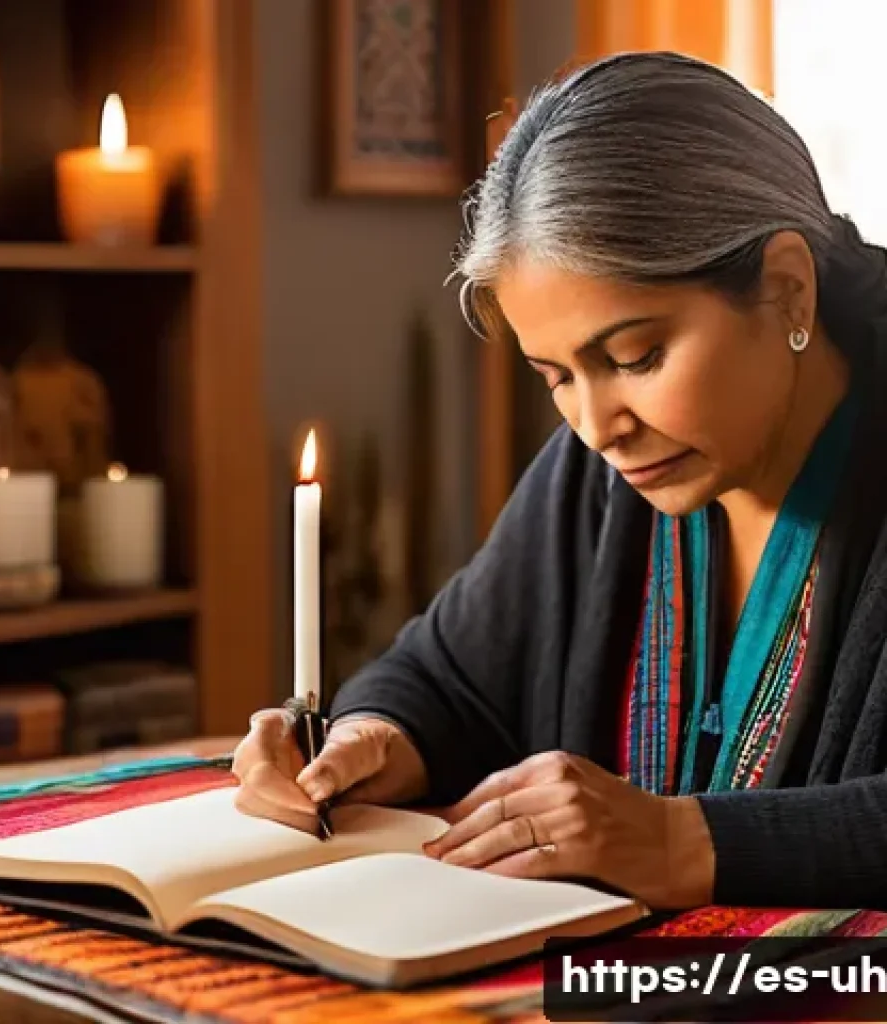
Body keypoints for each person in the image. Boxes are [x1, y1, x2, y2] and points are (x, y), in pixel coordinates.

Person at [232, 51, 887, 913]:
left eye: (634, 357)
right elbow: (450, 677)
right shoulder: (608, 467)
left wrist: (681, 839)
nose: (596, 425)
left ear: (787, 290)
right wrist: (369, 738)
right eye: (556, 375)